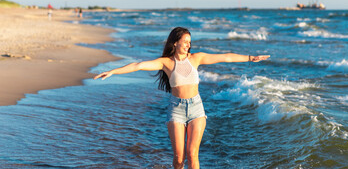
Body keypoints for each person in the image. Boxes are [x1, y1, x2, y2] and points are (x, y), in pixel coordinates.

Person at [94, 27, 270, 169]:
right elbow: (138, 65)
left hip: (196, 108)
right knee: (179, 159)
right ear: (175, 42)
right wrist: (112, 71)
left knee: (193, 154)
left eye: (189, 41)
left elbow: (225, 56)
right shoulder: (167, 63)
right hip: (176, 109)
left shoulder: (196, 58)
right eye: (185, 41)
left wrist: (250, 58)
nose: (188, 44)